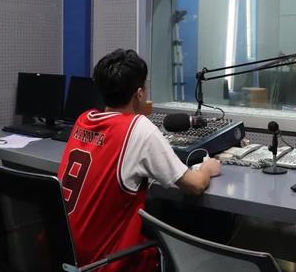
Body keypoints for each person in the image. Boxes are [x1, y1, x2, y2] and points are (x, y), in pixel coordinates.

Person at [58, 49, 221, 272]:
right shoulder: (138, 128)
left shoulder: (83, 119)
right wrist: (208, 169)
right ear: (140, 93)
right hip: (106, 263)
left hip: (68, 258)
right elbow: (194, 185)